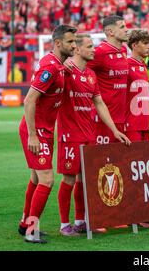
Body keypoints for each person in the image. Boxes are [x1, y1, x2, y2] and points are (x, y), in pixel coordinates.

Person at [56, 34, 131, 237]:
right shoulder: (65, 71)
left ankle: (80, 221)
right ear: (77, 50)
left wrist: (115, 129)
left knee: (83, 179)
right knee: (69, 179)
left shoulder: (90, 75)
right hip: (70, 135)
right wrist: (63, 67)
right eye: (89, 47)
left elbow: (99, 103)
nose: (94, 50)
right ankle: (64, 225)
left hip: (89, 133)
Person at [18, 25, 77, 244]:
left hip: (46, 131)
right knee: (47, 180)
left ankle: (25, 225)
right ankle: (32, 231)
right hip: (37, 132)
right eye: (71, 42)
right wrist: (33, 135)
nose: (74, 45)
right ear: (58, 43)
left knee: (35, 177)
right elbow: (29, 100)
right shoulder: (50, 67)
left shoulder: (59, 66)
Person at [125, 29, 149, 229]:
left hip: (144, 123)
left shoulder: (143, 64)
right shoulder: (127, 64)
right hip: (131, 125)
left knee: (142, 171)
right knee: (133, 171)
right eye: (146, 43)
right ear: (135, 45)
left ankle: (142, 212)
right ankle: (134, 215)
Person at [86, 15, 129, 145]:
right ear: (110, 32)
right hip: (103, 120)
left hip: (121, 118)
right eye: (122, 27)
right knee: (100, 163)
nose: (127, 29)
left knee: (118, 163)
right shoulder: (100, 52)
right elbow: (79, 67)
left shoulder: (123, 50)